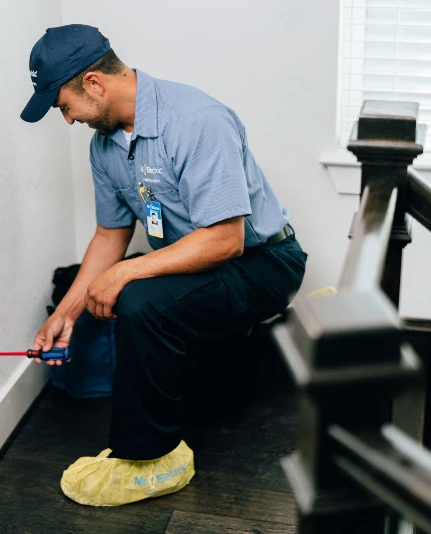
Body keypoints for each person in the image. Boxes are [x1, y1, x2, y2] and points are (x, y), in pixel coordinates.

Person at [20, 24, 307, 507]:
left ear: (93, 83)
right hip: (201, 263)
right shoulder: (105, 147)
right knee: (124, 286)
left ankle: (151, 458)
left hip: (265, 260)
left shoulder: (197, 120)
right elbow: (110, 237)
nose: (67, 120)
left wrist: (126, 273)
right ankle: (267, 352)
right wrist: (66, 316)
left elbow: (225, 240)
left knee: (137, 297)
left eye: (63, 106)